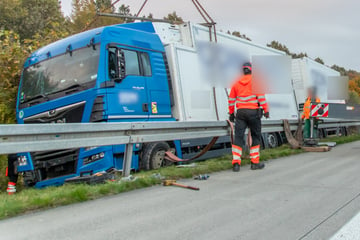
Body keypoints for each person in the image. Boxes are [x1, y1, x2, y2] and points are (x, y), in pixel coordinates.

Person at [228, 62, 269, 172]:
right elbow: (261, 98)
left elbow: (231, 100)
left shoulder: (236, 83)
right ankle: (254, 163)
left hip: (241, 113)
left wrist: (231, 113)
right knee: (255, 136)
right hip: (253, 113)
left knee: (238, 137)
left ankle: (236, 164)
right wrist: (266, 110)